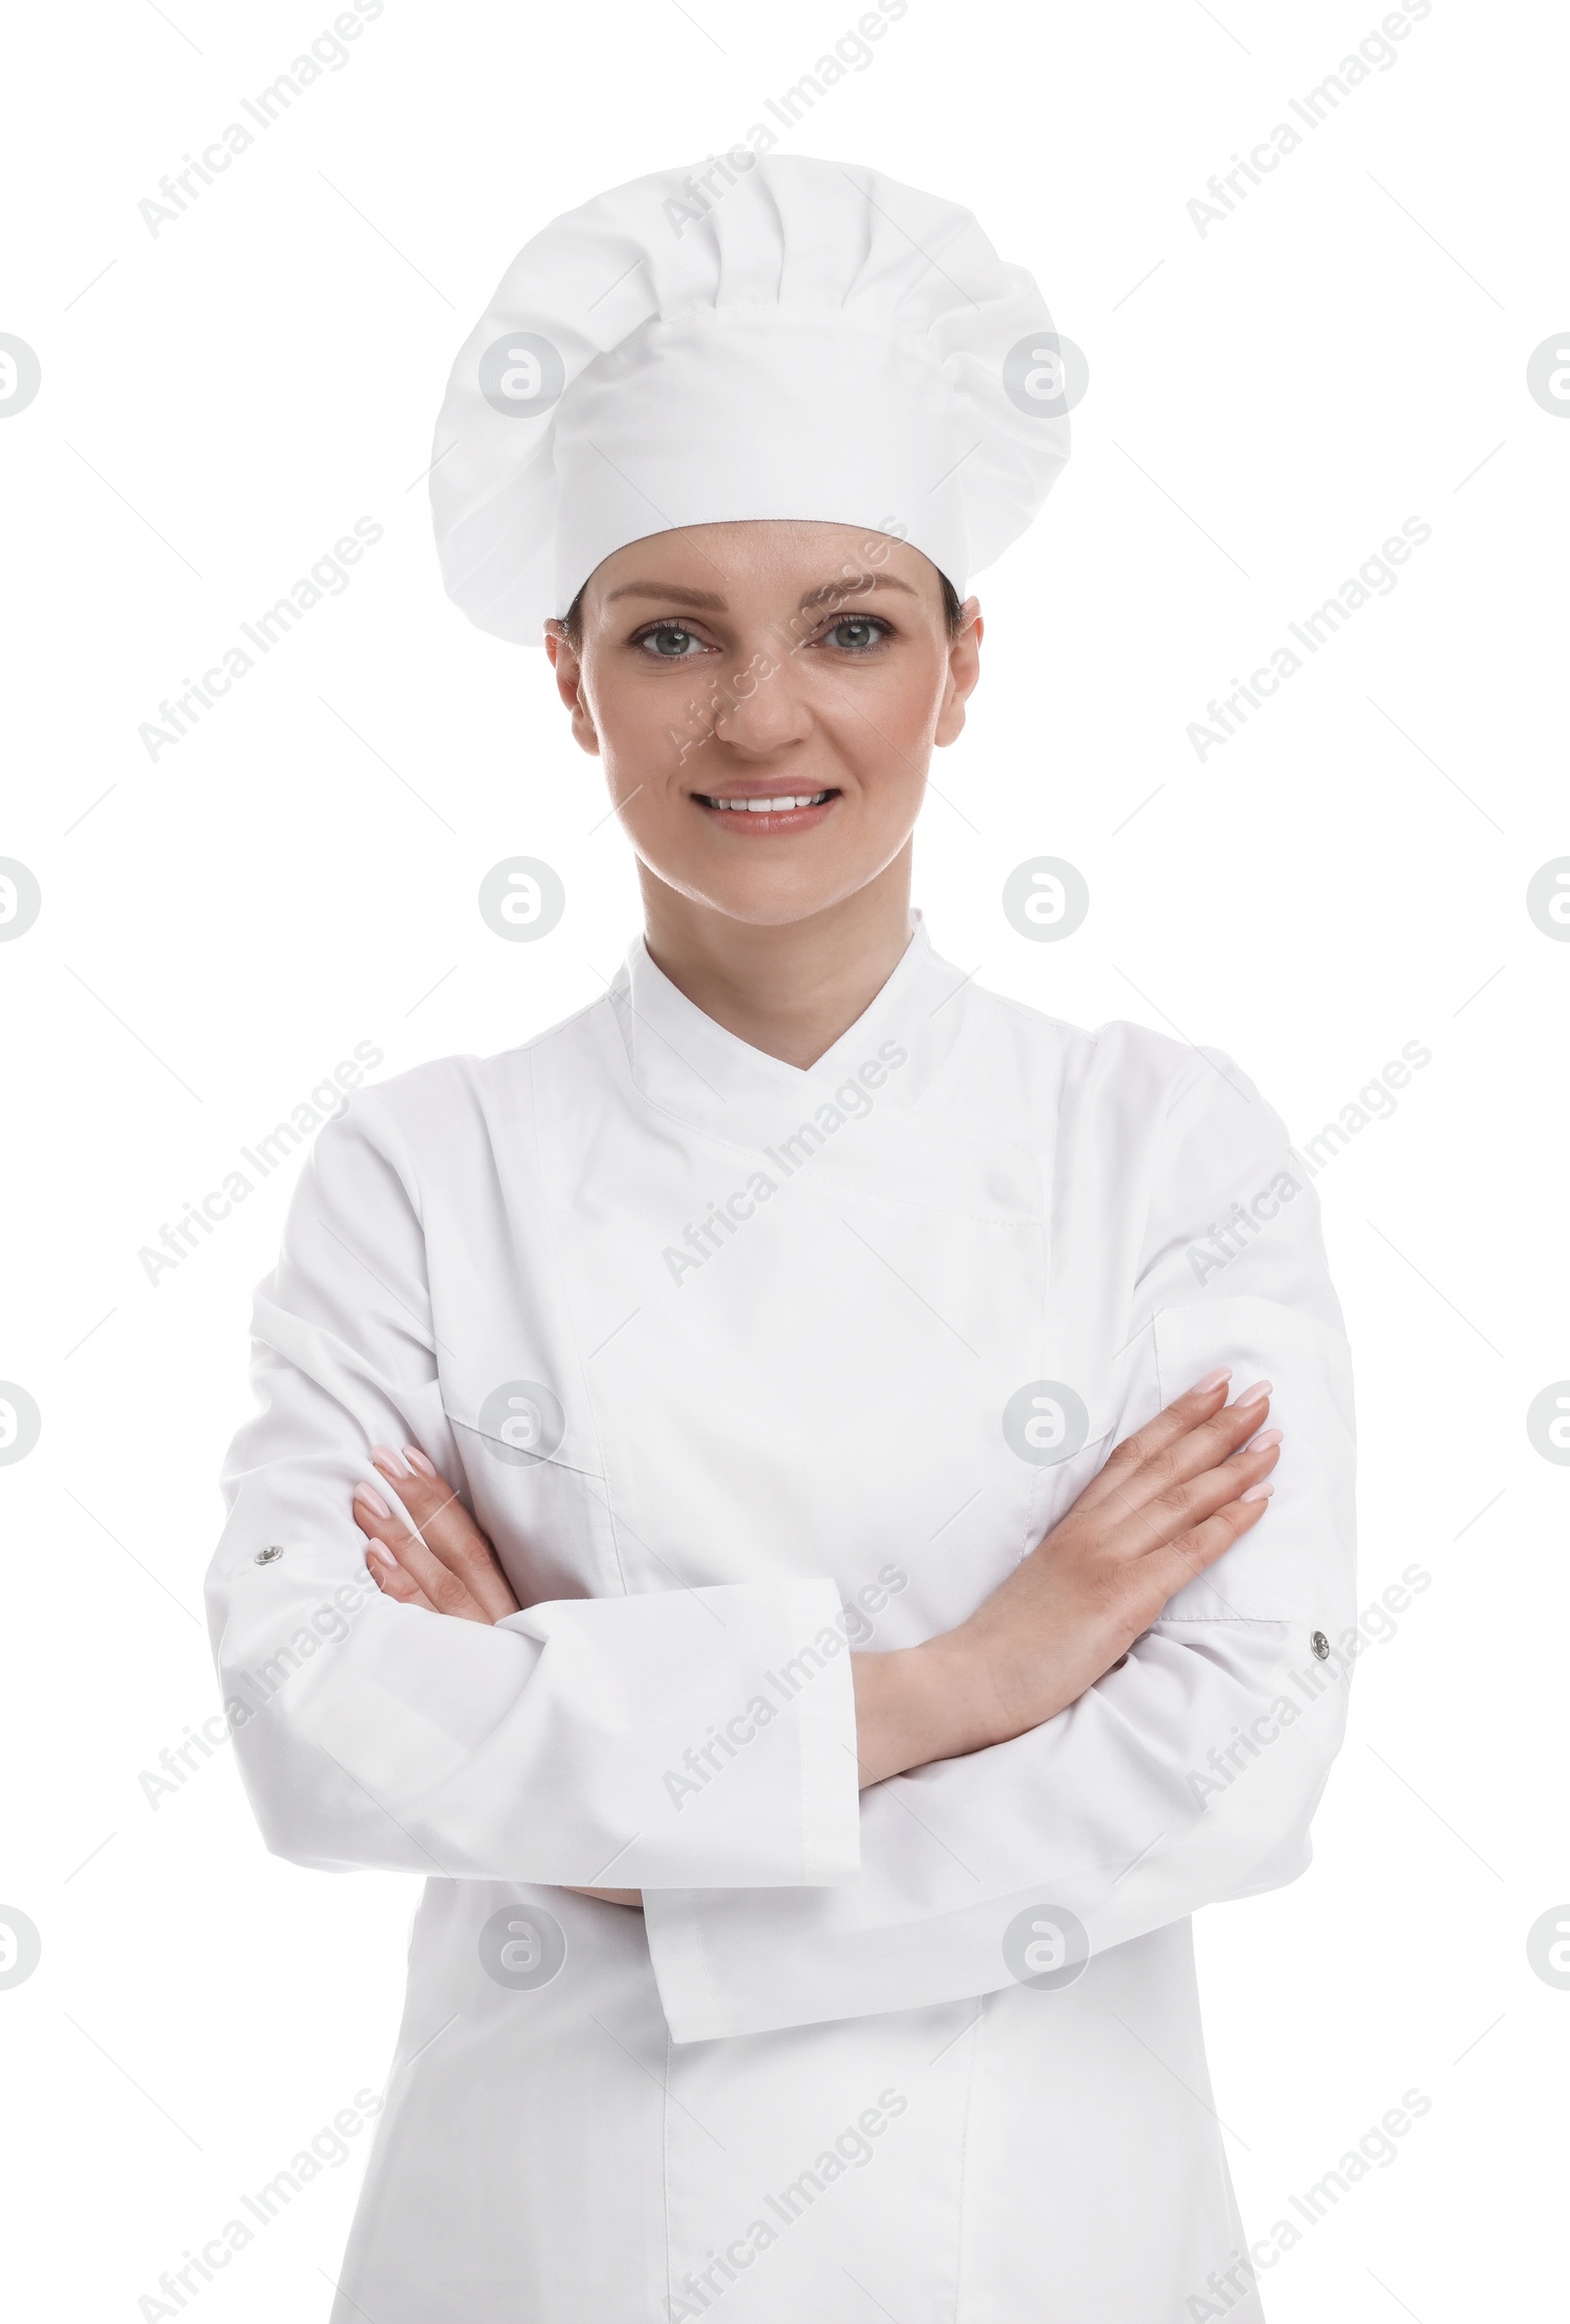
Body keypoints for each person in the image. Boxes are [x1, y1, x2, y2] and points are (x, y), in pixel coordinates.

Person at [208, 156, 1356, 2323]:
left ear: (959, 662)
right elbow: (313, 1713)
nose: (761, 717)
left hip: (1048, 2234)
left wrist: (617, 1835)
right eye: (669, 635)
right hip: (540, 2239)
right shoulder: (422, 1167)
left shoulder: (1161, 1140)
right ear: (568, 676)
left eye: (848, 626)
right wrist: (976, 1676)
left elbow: (1232, 1751)